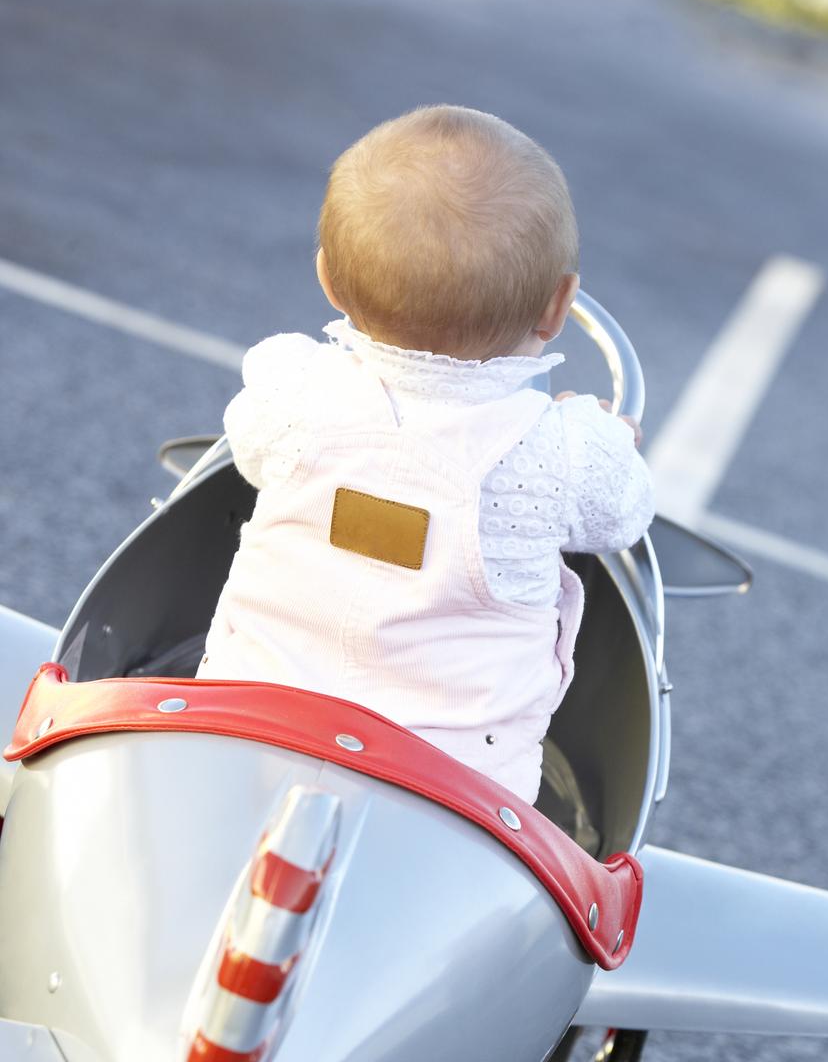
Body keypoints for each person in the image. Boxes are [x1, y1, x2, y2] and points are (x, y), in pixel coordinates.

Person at [200, 105, 654, 804]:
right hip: (455, 790)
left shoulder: (296, 390)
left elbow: (252, 451)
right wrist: (606, 435)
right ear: (559, 304)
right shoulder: (562, 452)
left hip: (240, 726)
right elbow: (623, 514)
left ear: (328, 279)